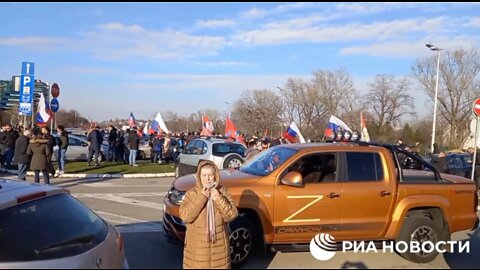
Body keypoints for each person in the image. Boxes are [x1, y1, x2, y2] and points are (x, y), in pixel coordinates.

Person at [179, 160, 238, 269]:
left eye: (210, 175)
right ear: (199, 176)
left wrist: (218, 199)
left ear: (215, 175)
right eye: (204, 175)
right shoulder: (192, 193)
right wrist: (202, 198)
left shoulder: (222, 192)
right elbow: (185, 216)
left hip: (219, 250)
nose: (207, 178)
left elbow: (231, 215)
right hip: (197, 251)